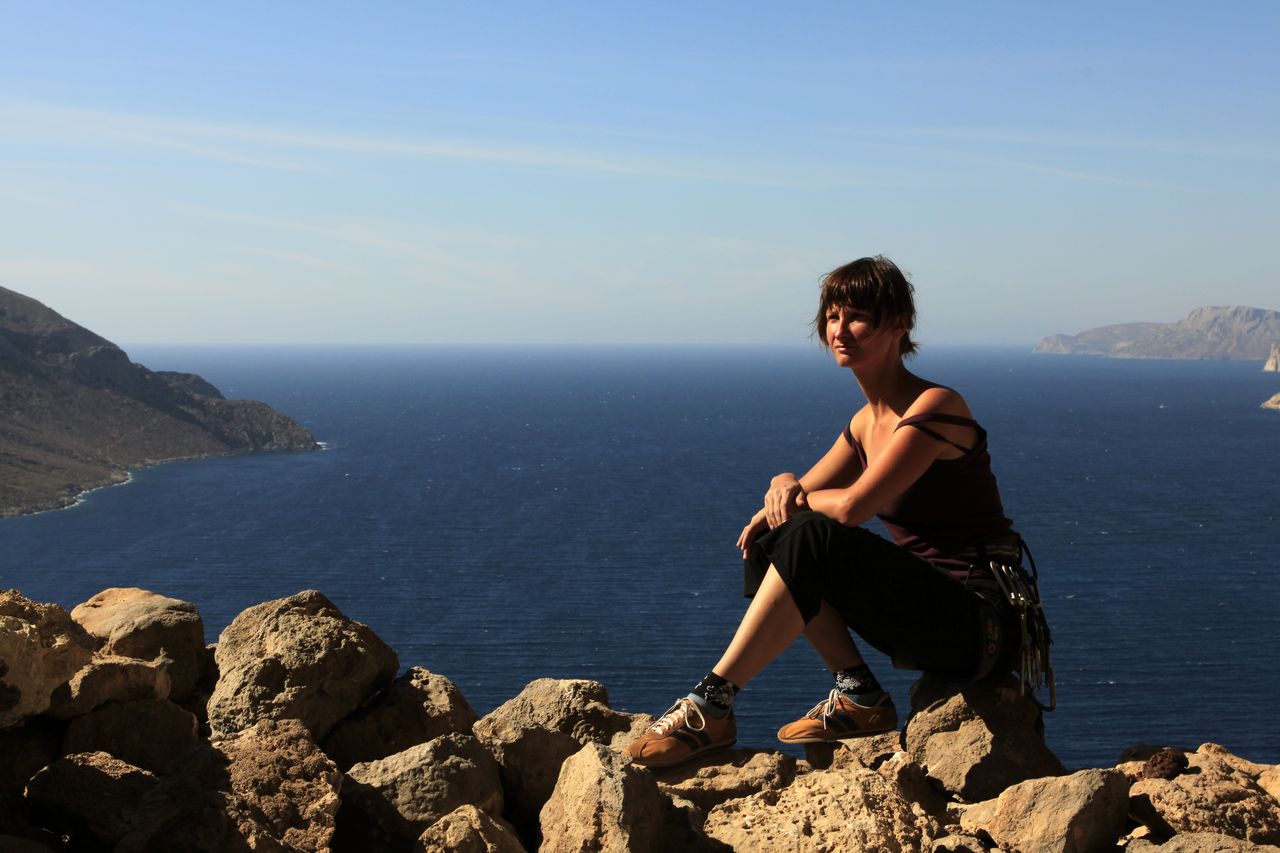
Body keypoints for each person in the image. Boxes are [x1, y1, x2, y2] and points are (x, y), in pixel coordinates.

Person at [625, 255, 1028, 769]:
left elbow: (856, 506)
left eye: (858, 316)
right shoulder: (864, 423)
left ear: (900, 324)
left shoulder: (936, 407)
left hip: (981, 624)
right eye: (833, 317)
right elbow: (797, 497)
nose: (841, 330)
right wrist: (783, 483)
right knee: (772, 534)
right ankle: (859, 693)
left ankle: (712, 702)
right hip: (924, 612)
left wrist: (795, 496)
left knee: (808, 529)